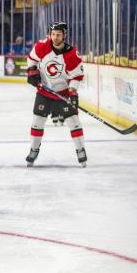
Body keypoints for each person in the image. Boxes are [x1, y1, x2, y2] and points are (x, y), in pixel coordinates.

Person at [26, 22, 87, 167]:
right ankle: (34, 149)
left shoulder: (72, 54)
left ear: (64, 35)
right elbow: (32, 59)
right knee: (37, 122)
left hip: (63, 94)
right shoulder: (42, 46)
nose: (55, 37)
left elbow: (76, 76)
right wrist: (32, 72)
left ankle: (80, 150)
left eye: (58, 34)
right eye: (53, 34)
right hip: (44, 92)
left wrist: (72, 93)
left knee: (74, 122)